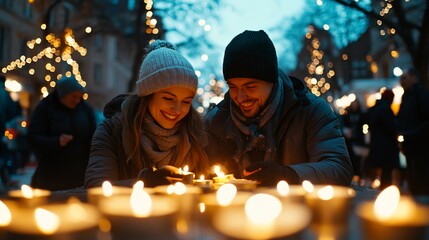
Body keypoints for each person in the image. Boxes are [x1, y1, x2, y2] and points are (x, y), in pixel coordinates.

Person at [205, 30, 353, 186]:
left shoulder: (310, 111)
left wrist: (288, 175)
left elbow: (339, 169)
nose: (240, 97)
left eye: (250, 86)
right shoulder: (216, 121)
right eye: (233, 87)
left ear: (271, 81)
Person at [85, 40, 209, 188]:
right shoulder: (112, 131)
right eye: (168, 98)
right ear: (148, 95)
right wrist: (143, 183)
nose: (177, 109)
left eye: (186, 101)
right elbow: (96, 186)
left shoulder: (195, 135)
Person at [28, 75, 96, 191]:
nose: (77, 100)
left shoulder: (85, 109)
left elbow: (94, 134)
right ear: (62, 94)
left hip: (78, 175)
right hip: (51, 175)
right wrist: (56, 141)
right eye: (73, 97)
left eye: (79, 97)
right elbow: (33, 137)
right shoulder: (45, 108)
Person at [397, 67, 429, 196]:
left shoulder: (421, 95)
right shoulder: (405, 97)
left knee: (422, 178)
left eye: (404, 78)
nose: (401, 81)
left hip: (421, 146)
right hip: (409, 145)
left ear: (414, 77)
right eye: (401, 78)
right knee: (412, 178)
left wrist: (411, 133)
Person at [366, 89, 400, 190]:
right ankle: (386, 190)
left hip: (378, 145)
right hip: (387, 146)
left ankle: (382, 188)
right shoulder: (385, 109)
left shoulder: (375, 109)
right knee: (387, 172)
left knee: (383, 170)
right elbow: (391, 127)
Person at [341, 99, 368, 184]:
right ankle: (353, 175)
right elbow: (345, 125)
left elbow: (365, 124)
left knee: (359, 159)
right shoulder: (347, 114)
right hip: (350, 139)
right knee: (352, 158)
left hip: (359, 139)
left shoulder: (361, 115)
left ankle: (359, 175)